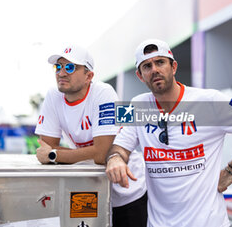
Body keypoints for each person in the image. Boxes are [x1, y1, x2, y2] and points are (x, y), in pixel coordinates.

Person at [105, 39, 232, 227]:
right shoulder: (137, 105)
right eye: (147, 66)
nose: (154, 70)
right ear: (140, 75)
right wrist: (115, 158)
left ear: (174, 67)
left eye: (160, 62)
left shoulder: (210, 100)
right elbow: (119, 146)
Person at [34, 45, 147, 227]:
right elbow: (44, 147)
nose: (61, 73)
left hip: (127, 188)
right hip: (88, 188)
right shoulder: (53, 95)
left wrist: (56, 154)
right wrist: (58, 154)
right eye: (58, 67)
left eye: (70, 67)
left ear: (89, 76)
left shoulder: (103, 93)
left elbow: (102, 154)